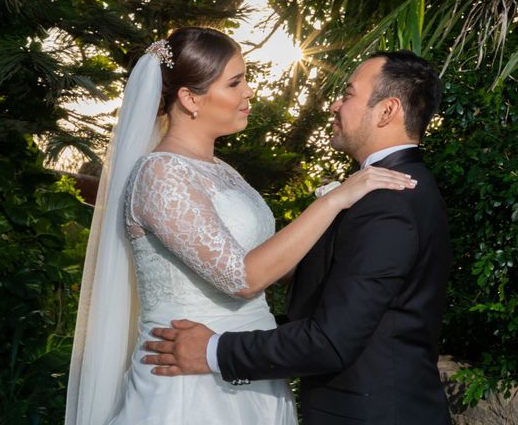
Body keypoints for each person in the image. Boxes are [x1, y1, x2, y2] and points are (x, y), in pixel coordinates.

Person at [65, 27, 417, 425]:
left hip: (249, 372)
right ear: (190, 98)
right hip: (189, 382)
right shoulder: (159, 173)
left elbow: (275, 269)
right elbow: (241, 278)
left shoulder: (225, 172)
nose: (249, 91)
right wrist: (334, 201)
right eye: (236, 82)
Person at [142, 50, 454, 425]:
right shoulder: (380, 190)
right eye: (235, 81)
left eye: (349, 94)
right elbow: (328, 304)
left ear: (387, 111)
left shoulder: (389, 200)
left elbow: (330, 340)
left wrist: (212, 350)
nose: (335, 104)